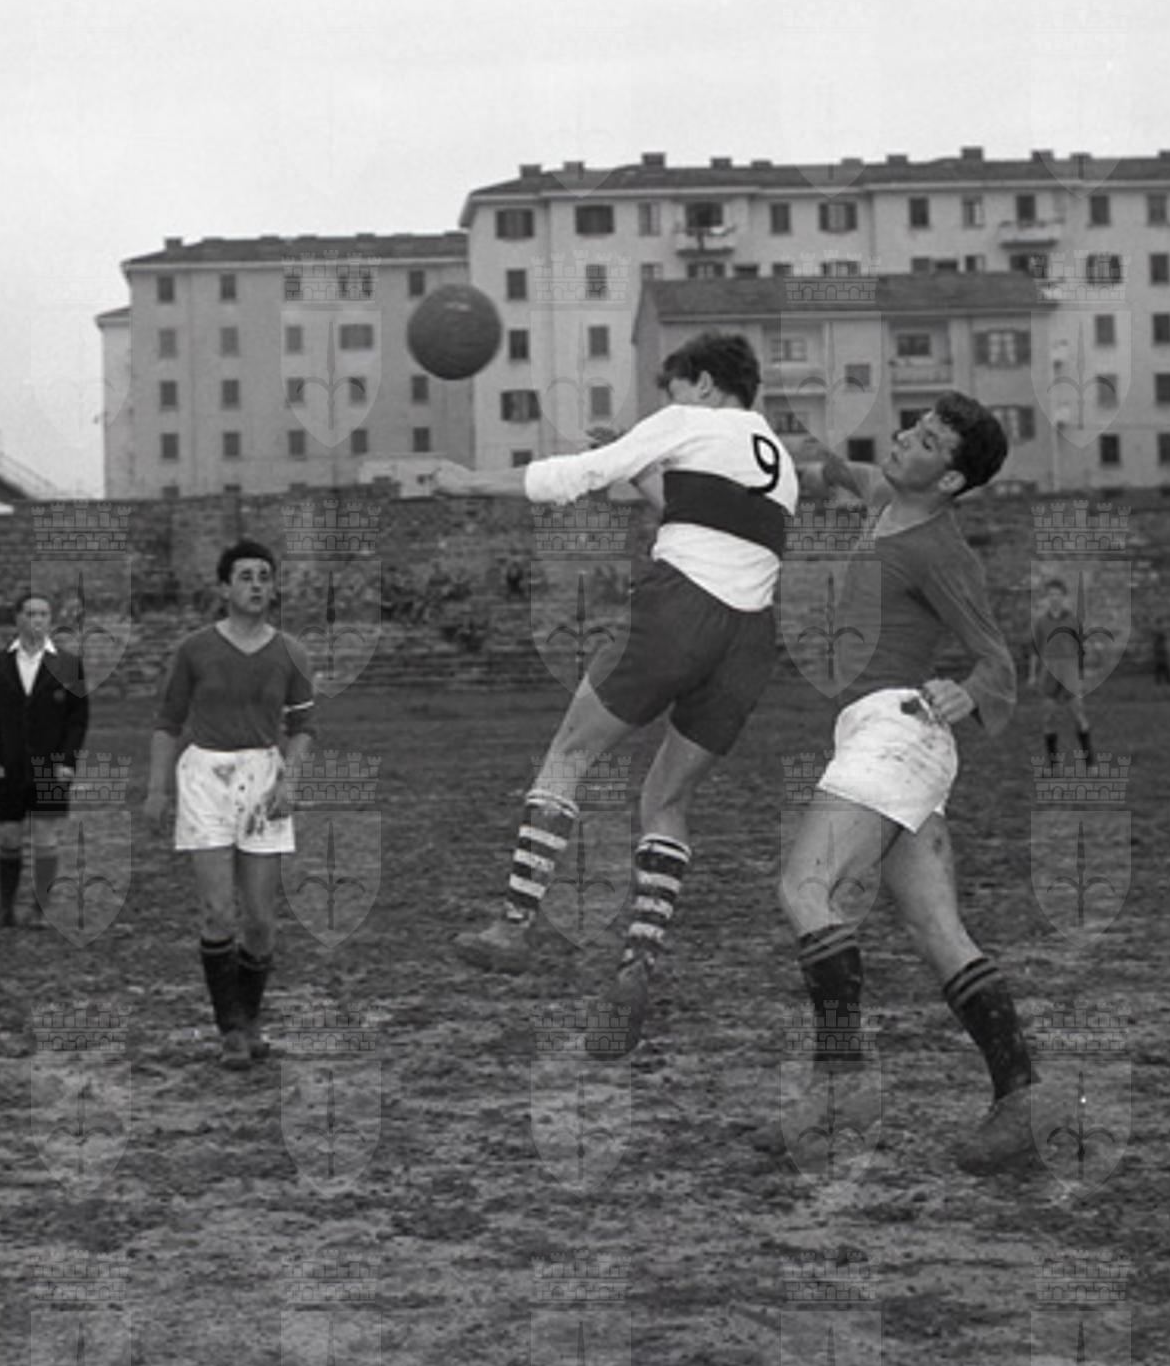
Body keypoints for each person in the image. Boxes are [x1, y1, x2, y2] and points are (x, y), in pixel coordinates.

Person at [434, 329, 798, 1059]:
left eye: (677, 388)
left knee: (570, 752)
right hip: (750, 639)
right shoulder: (776, 459)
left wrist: (469, 482)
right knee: (665, 799)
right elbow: (693, 513)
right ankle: (638, 964)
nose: (673, 401)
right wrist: (642, 468)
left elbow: (575, 476)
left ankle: (512, 924)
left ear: (703, 384)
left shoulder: (688, 420)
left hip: (679, 610)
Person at [767, 396, 1036, 1175]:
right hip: (881, 736)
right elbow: (825, 468)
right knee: (934, 929)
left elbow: (996, 659)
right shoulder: (884, 495)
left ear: (949, 479)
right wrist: (731, 441)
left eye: (925, 441)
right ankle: (1021, 1100)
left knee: (804, 889)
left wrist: (967, 691)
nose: (903, 439)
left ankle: (840, 1091)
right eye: (911, 428)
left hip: (897, 731)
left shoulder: (940, 551)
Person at [141, 541, 315, 1070]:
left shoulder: (291, 652)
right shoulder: (194, 649)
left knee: (260, 920)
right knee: (218, 911)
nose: (256, 585)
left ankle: (251, 1014)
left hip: (263, 780)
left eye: (264, 576)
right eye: (245, 576)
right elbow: (167, 722)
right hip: (205, 779)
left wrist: (290, 782)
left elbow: (303, 728)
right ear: (224, 588)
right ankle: (231, 1029)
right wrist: (157, 790)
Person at [0, 590, 90, 926]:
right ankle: (4, 907)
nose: (38, 620)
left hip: (50, 765)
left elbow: (78, 719)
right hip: (8, 763)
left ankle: (41, 908)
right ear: (17, 618)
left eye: (44, 614)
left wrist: (67, 761)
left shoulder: (68, 665)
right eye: (30, 614)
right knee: (8, 836)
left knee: (45, 836)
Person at [1031, 576, 1096, 769]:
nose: (1054, 598)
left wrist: (1082, 675)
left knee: (1078, 714)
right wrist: (1032, 674)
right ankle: (1053, 763)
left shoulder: (1073, 621)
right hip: (1049, 670)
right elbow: (1035, 651)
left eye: (1058, 595)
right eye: (1051, 595)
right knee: (1048, 717)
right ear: (1047, 598)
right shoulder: (1041, 623)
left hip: (1069, 669)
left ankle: (1089, 760)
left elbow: (1081, 649)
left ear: (1064, 597)